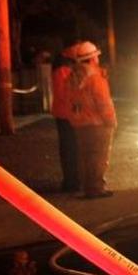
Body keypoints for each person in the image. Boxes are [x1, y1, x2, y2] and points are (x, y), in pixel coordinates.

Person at [67, 41, 117, 198]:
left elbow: (69, 101)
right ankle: (96, 188)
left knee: (85, 157)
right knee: (99, 157)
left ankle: (88, 188)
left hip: (80, 124)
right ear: (92, 59)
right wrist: (111, 120)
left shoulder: (72, 78)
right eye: (96, 57)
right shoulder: (95, 78)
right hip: (98, 124)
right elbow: (103, 102)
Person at [51, 44, 80, 193]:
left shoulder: (61, 69)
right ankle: (72, 180)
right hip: (66, 114)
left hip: (63, 113)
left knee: (69, 147)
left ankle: (71, 179)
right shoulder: (64, 71)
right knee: (70, 148)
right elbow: (66, 94)